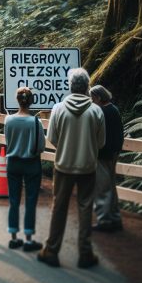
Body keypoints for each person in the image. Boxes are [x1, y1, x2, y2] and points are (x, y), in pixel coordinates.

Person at [38, 68, 106, 269]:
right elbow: (101, 142)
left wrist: (66, 147)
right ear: (87, 87)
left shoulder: (58, 108)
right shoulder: (96, 111)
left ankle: (51, 250)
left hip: (64, 165)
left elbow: (52, 138)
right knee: (85, 207)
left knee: (59, 205)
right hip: (87, 166)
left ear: (69, 86)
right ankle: (85, 253)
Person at [3, 87, 46, 252]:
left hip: (13, 162)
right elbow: (41, 146)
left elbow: (8, 141)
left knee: (13, 200)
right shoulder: (36, 122)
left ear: (17, 100)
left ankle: (14, 237)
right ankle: (28, 239)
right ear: (31, 101)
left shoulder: (9, 120)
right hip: (31, 163)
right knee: (30, 201)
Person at [90, 84, 125, 233]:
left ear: (98, 97)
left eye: (92, 98)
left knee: (102, 187)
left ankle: (104, 220)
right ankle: (115, 218)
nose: (91, 101)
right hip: (113, 153)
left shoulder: (101, 112)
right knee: (111, 185)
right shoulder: (114, 109)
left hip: (103, 154)